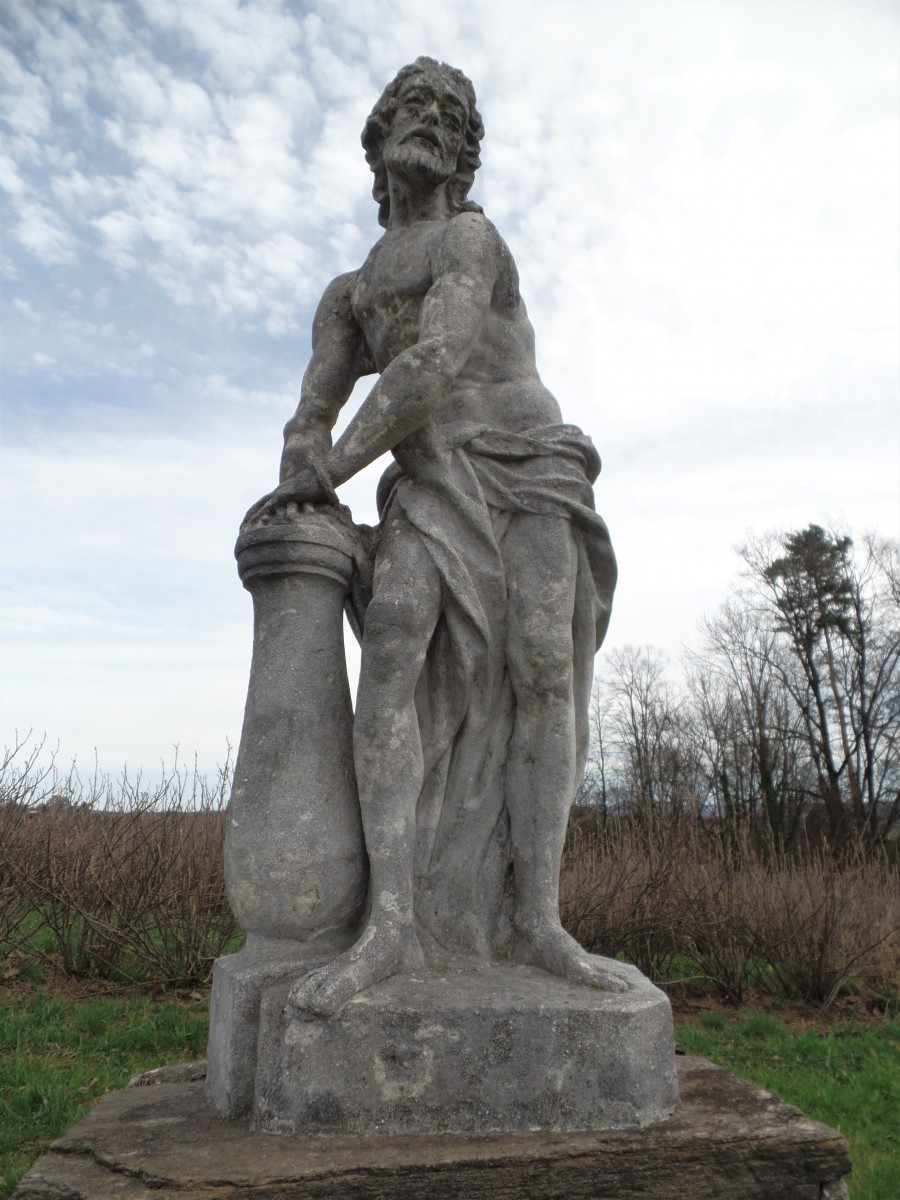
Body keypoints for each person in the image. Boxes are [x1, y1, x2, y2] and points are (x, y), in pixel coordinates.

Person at [246, 57, 628, 1016]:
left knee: (544, 670)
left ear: (463, 151)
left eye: (447, 114)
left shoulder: (471, 239)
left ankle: (536, 921)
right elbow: (315, 406)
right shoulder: (347, 293)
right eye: (411, 106)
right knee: (392, 669)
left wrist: (330, 470)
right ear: (377, 140)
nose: (428, 120)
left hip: (526, 462)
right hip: (426, 482)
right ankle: (393, 925)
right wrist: (305, 462)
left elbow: (437, 358)